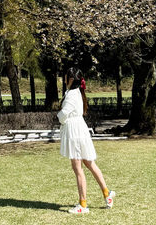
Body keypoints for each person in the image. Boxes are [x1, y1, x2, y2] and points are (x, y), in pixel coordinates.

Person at [57, 67, 115, 214]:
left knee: (78, 168)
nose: (63, 79)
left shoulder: (71, 95)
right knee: (89, 163)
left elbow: (63, 115)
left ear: (70, 79)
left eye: (65, 77)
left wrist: (59, 117)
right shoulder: (76, 93)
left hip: (75, 132)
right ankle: (107, 193)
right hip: (79, 129)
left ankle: (83, 204)